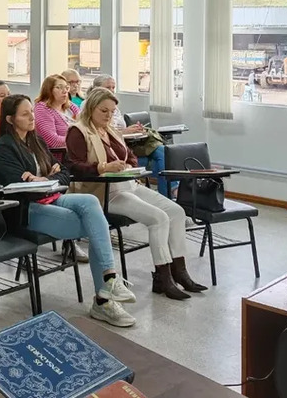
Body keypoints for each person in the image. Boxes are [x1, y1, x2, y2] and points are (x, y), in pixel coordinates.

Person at [0, 95, 136, 327]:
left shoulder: (36, 140)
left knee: (90, 203)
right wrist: (45, 178)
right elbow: (20, 188)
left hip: (52, 197)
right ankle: (103, 300)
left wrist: (43, 179)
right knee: (96, 226)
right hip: (26, 210)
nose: (32, 117)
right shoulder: (4, 147)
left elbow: (65, 172)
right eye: (25, 114)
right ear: (10, 119)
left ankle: (109, 281)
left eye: (32, 111)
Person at [65, 87, 206, 299]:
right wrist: (103, 167)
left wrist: (129, 165)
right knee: (158, 218)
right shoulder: (78, 131)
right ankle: (163, 276)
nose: (108, 116)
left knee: (176, 212)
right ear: (91, 108)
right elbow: (74, 166)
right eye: (104, 111)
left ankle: (180, 271)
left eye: (112, 111)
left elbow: (129, 155)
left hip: (129, 184)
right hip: (105, 192)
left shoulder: (110, 130)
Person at [90, 74, 168, 196]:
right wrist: (124, 132)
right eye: (108, 87)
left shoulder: (114, 106)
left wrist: (133, 130)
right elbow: (105, 132)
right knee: (161, 157)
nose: (111, 90)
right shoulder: (92, 108)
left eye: (113, 87)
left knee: (163, 151)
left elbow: (119, 127)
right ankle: (169, 191)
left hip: (128, 143)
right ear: (96, 89)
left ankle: (169, 191)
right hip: (116, 148)